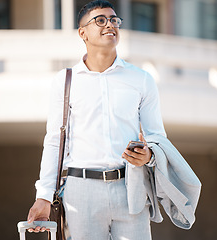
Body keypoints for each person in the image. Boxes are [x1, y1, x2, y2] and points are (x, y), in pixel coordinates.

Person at [26, 1, 191, 239]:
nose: (110, 25)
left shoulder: (141, 79)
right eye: (100, 20)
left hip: (131, 188)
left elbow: (157, 137)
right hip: (81, 190)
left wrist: (149, 155)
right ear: (82, 32)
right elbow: (54, 141)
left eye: (114, 20)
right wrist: (43, 195)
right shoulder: (65, 80)